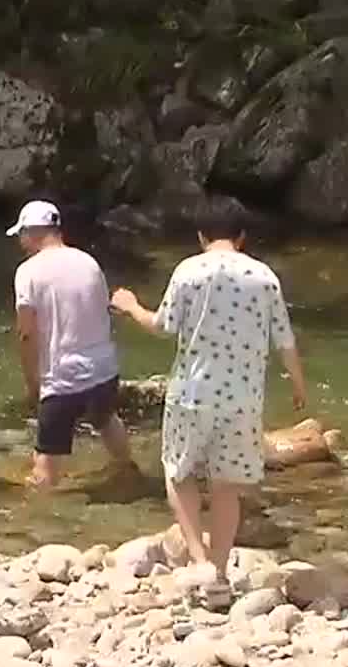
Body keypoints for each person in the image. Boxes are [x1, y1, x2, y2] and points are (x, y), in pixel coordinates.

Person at [110, 198, 309, 594]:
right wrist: (299, 384)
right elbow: (283, 338)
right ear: (242, 236)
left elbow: (163, 325)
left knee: (179, 473)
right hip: (243, 400)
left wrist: (131, 306)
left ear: (201, 236)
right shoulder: (264, 276)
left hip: (192, 394)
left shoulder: (189, 271)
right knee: (227, 485)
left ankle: (199, 561)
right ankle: (218, 573)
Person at [8, 200, 138, 488]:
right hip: (104, 369)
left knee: (46, 456)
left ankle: (41, 511)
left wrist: (33, 384)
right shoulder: (88, 261)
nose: (21, 242)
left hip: (63, 377)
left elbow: (26, 333)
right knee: (105, 419)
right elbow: (103, 313)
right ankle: (128, 472)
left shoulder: (27, 272)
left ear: (32, 232)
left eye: (21, 235)